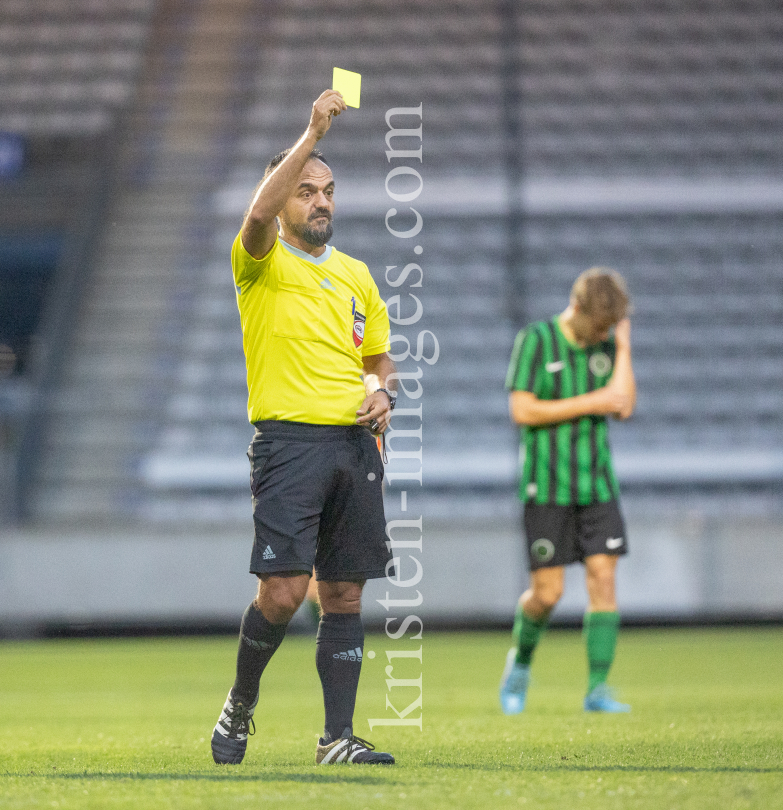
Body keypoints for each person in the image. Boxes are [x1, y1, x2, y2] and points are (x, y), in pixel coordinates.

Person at [211, 89, 397, 766]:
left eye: (327, 190)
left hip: (354, 445)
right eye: (306, 190)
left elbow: (378, 357)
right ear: (284, 197)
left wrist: (381, 393)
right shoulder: (258, 261)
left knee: (343, 591)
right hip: (289, 445)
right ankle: (240, 704)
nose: (319, 201)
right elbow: (258, 211)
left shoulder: (356, 275)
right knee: (284, 592)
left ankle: (336, 739)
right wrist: (312, 131)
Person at [499, 268, 636, 715]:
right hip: (547, 487)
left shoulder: (607, 344)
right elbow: (522, 409)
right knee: (548, 594)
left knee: (604, 580)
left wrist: (624, 343)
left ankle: (597, 689)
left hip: (597, 484)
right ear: (575, 308)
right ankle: (519, 664)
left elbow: (625, 406)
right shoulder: (536, 339)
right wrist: (592, 403)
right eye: (598, 325)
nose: (602, 333)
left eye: (609, 327)